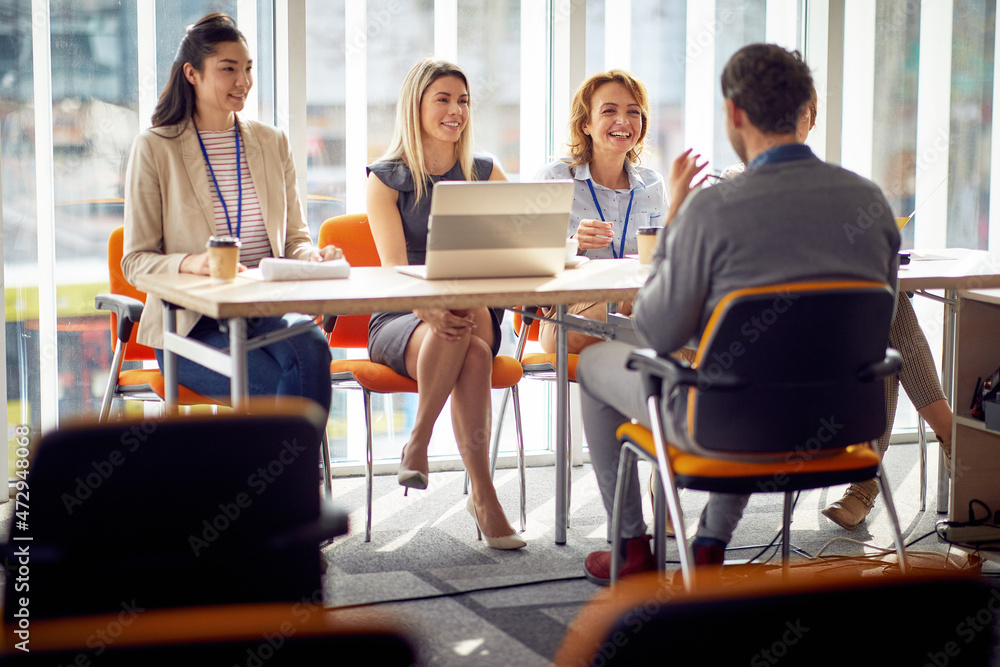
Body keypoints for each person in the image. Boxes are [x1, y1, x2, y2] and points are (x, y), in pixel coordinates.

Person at [575, 43, 901, 584]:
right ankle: (708, 547)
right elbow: (879, 317)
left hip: (730, 423)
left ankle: (632, 549)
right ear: (805, 111)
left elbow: (657, 331)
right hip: (846, 423)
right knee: (756, 369)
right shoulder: (870, 201)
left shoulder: (714, 208)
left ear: (734, 114)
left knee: (595, 367)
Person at [728, 83, 955, 531]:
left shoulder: (836, 189)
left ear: (811, 118)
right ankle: (941, 438)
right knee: (882, 314)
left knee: (881, 313)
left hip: (824, 342)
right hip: (768, 346)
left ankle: (870, 480)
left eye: (803, 110)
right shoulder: (735, 184)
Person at [122, 13, 338, 415]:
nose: (244, 81)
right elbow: (136, 262)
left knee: (312, 347)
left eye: (248, 69)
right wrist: (194, 263)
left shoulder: (272, 142)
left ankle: (291, 477)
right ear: (192, 73)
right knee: (285, 389)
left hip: (264, 309)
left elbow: (294, 240)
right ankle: (294, 477)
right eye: (228, 69)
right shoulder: (155, 148)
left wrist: (314, 258)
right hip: (190, 326)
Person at [365, 57, 525, 550]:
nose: (456, 110)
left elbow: (517, 243)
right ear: (416, 105)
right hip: (403, 312)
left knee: (465, 310)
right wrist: (425, 304)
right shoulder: (386, 179)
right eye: (443, 99)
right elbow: (395, 269)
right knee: (474, 352)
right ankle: (483, 493)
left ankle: (419, 440)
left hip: (473, 305)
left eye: (463, 101)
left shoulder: (484, 170)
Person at [535, 71, 698, 354]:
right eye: (609, 110)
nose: (623, 121)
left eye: (633, 112)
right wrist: (574, 243)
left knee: (667, 315)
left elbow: (664, 261)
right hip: (565, 318)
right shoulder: (554, 179)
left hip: (637, 311)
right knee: (662, 317)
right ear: (585, 124)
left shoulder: (652, 184)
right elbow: (527, 263)